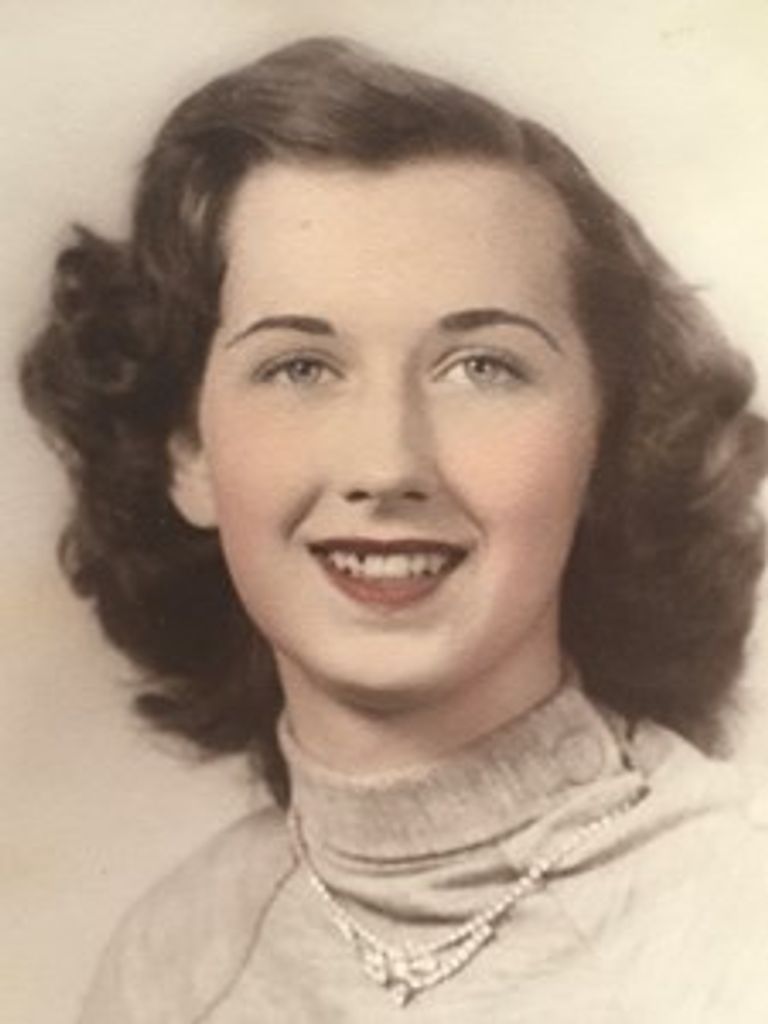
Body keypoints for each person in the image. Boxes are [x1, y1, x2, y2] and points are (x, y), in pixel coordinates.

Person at [19, 35, 768, 1023]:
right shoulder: (165, 975)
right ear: (186, 452)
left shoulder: (738, 925)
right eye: (299, 368)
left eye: (482, 368)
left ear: (604, 437)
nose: (387, 466)